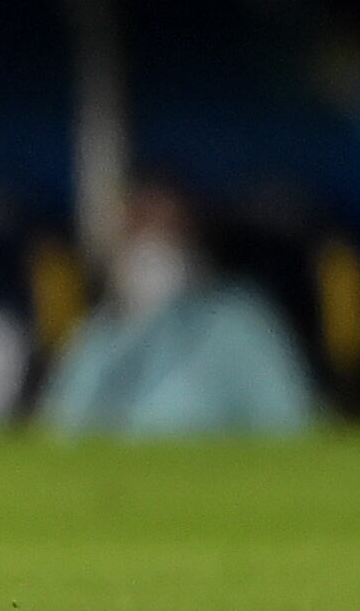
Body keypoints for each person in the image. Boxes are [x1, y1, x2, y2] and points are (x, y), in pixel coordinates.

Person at [41, 182, 318, 438]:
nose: (152, 248)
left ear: (193, 241)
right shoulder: (98, 333)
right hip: (112, 485)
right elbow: (60, 430)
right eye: (139, 229)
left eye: (166, 231)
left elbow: (292, 424)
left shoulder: (239, 322)